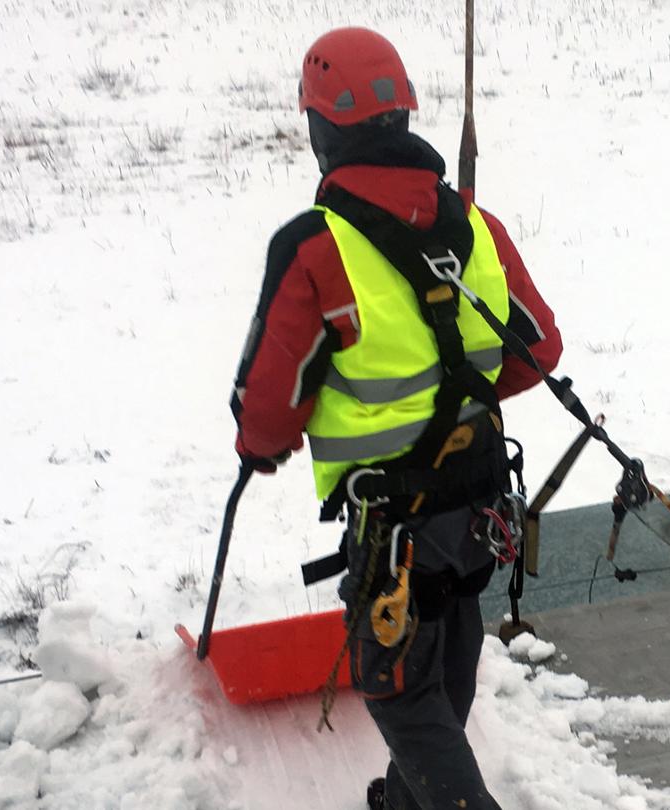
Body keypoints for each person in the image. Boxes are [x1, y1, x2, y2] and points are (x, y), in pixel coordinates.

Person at [229, 26, 562, 810]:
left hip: (397, 525)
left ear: (321, 130)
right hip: (479, 505)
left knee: (400, 694)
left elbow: (270, 409)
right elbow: (537, 346)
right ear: (404, 116)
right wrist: (458, 403)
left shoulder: (316, 247)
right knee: (446, 664)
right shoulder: (477, 227)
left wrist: (262, 446)